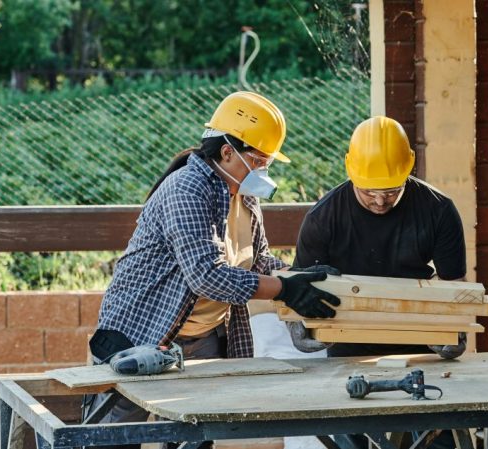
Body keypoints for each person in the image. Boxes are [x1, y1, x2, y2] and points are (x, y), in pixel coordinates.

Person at [85, 91, 340, 449]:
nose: (264, 170)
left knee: (198, 436)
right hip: (140, 331)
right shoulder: (187, 189)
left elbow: (260, 259)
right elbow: (206, 274)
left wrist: (298, 276)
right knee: (116, 436)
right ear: (226, 152)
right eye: (260, 160)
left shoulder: (244, 195)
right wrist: (283, 290)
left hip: (202, 337)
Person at [292, 115, 468, 449]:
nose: (379, 200)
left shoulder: (438, 210)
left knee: (438, 440)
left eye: (390, 190)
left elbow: (456, 288)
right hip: (347, 345)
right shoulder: (323, 217)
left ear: (409, 169)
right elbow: (298, 291)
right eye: (368, 190)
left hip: (421, 343)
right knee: (352, 438)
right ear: (350, 171)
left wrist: (453, 328)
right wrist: (303, 329)